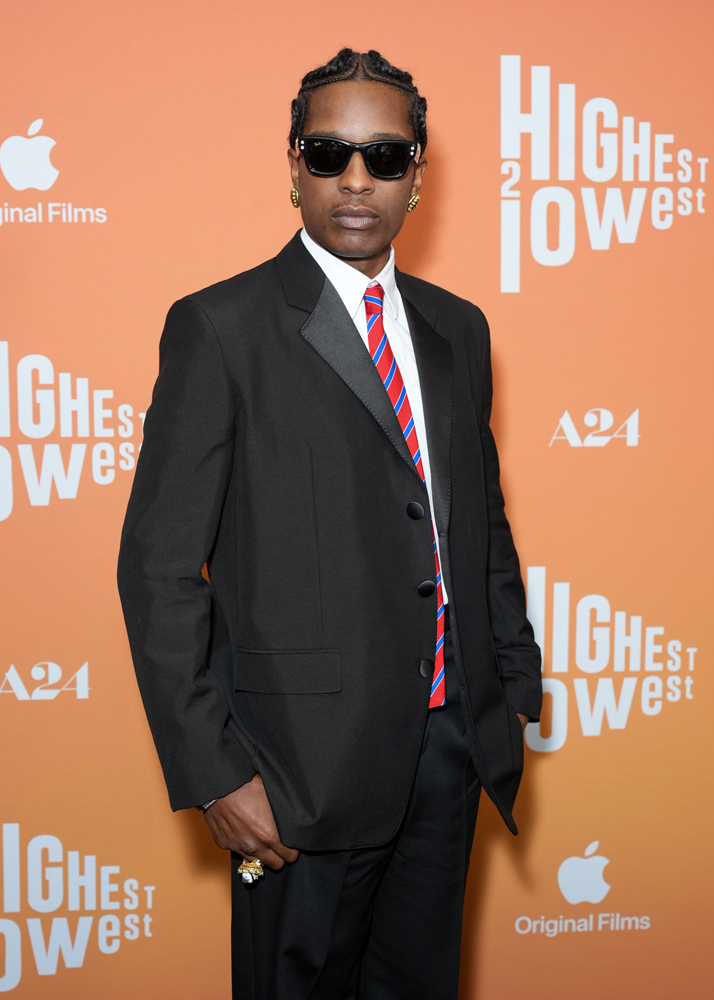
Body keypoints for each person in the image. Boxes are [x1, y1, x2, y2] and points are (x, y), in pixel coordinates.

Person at [117, 47, 542, 1000]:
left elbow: (478, 516)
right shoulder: (221, 328)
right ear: (294, 169)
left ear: (418, 176)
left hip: (448, 755)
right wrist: (214, 772)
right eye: (329, 154)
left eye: (386, 158)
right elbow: (157, 569)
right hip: (295, 775)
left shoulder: (457, 329)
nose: (358, 181)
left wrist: (509, 681)